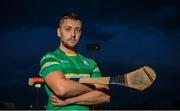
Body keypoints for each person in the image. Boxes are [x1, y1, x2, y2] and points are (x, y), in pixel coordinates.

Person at [39, 12, 111, 110]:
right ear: (59, 32)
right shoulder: (50, 58)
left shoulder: (91, 63)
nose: (73, 34)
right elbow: (62, 89)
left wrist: (69, 101)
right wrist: (93, 87)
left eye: (77, 30)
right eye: (68, 29)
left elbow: (105, 96)